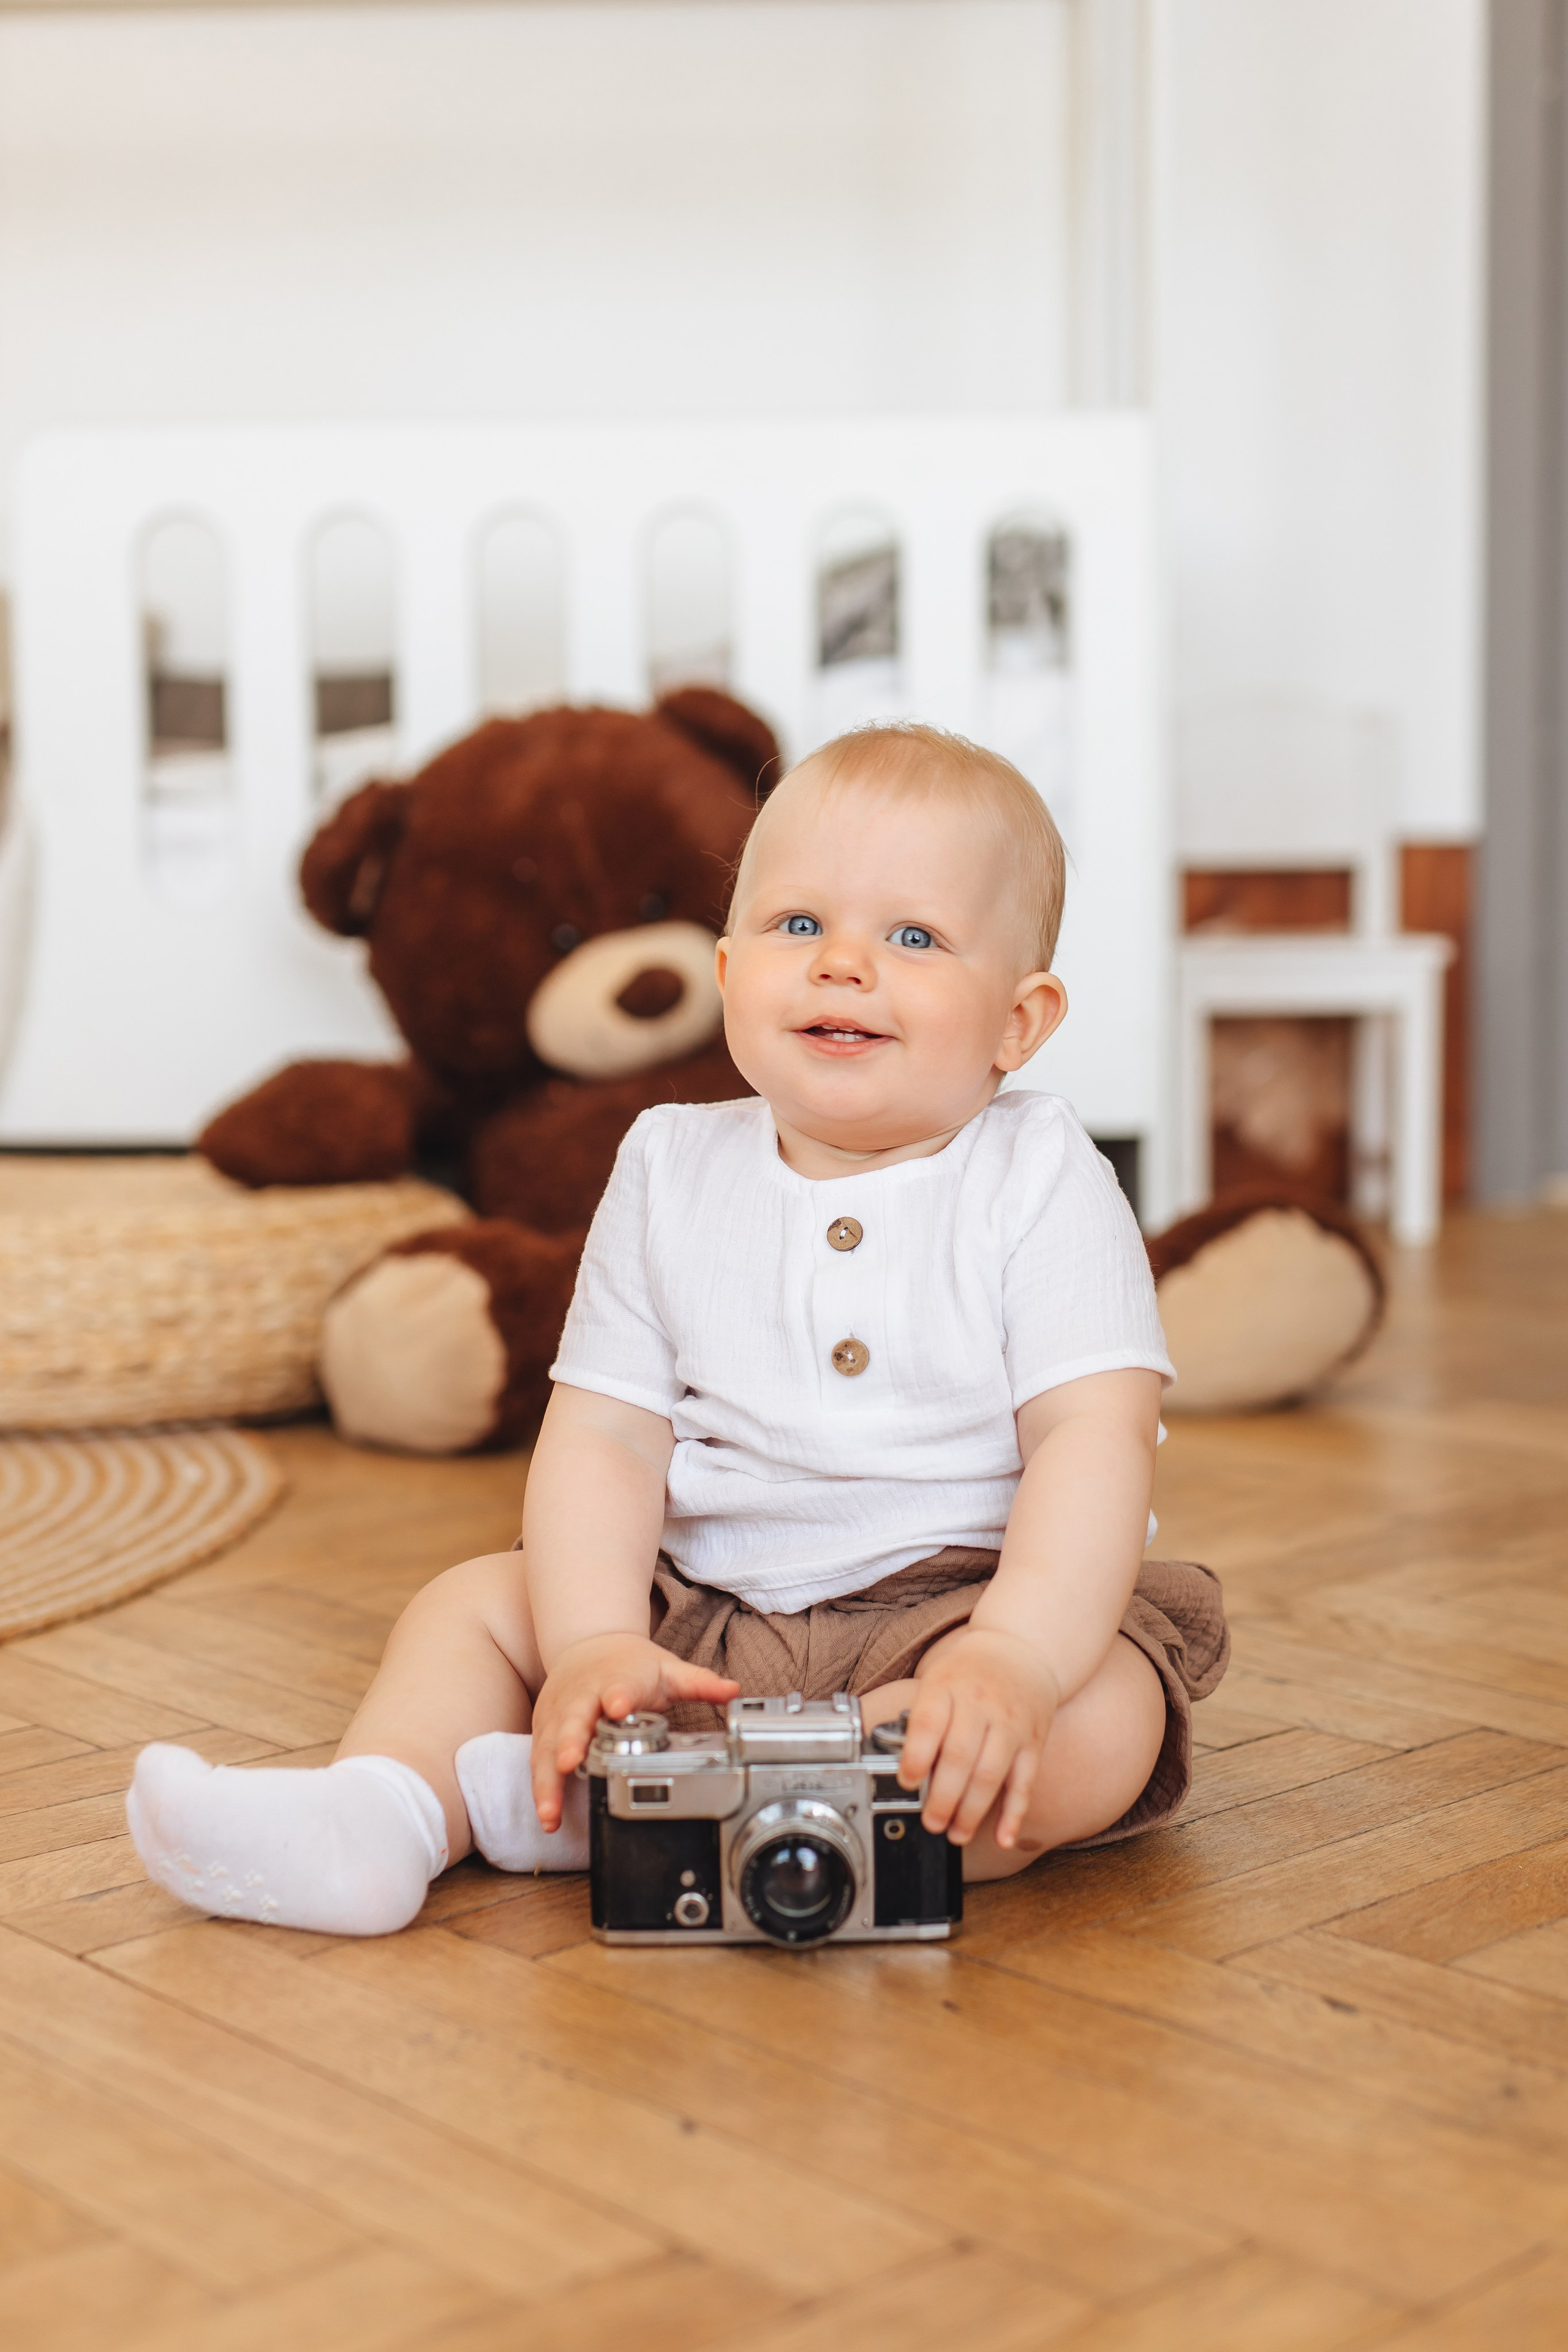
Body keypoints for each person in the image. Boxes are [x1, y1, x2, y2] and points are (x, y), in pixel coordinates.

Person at [126, 722, 1227, 1936]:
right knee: (471, 1608)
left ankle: (581, 1814)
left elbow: (1091, 1438)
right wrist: (595, 1641)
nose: (841, 964)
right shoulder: (667, 1164)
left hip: (954, 1611)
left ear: (1019, 1021)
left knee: (1101, 1715)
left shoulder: (1042, 1173)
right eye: (797, 924)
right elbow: (606, 1435)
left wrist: (1016, 1656)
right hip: (697, 1616)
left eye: (912, 937)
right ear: (726, 972)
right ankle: (380, 1814)